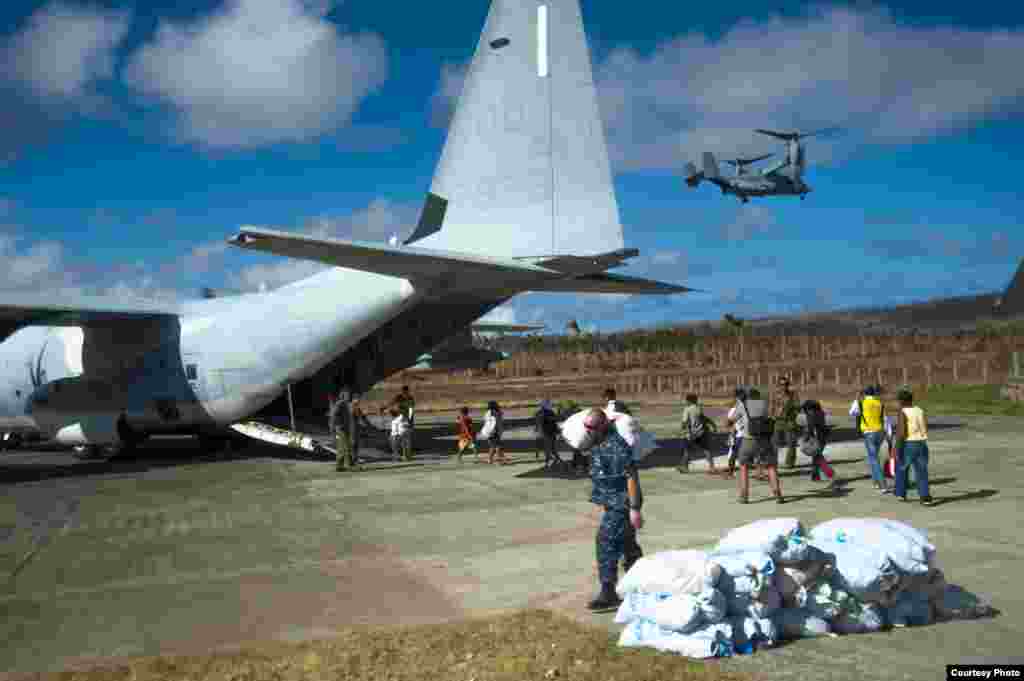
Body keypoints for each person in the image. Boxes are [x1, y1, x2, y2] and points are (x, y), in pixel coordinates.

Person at [582, 408, 644, 611]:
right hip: (613, 504)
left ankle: (608, 592)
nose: (588, 431)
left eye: (591, 428)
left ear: (602, 426)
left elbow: (631, 477)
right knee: (628, 547)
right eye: (587, 428)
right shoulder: (599, 442)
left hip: (622, 506)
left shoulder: (617, 445)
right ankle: (641, 585)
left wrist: (634, 509)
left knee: (605, 541)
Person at [730, 387, 783, 505]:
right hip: (764, 440)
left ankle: (744, 496)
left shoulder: (742, 405)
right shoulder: (764, 404)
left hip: (748, 440)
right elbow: (773, 416)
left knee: (743, 466)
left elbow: (731, 420)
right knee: (771, 466)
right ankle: (777, 493)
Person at [893, 389, 934, 506]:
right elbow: (925, 426)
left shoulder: (903, 412)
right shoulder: (920, 410)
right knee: (922, 471)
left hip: (908, 444)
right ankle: (925, 497)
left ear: (901, 401)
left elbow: (901, 432)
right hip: (921, 442)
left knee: (901, 468)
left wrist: (896, 447)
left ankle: (900, 493)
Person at [851, 385, 888, 493]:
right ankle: (876, 481)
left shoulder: (862, 403)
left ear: (865, 393)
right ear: (874, 393)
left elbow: (852, 412)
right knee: (874, 457)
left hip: (869, 433)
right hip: (880, 432)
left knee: (873, 459)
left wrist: (856, 399)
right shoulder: (879, 403)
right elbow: (885, 419)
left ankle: (882, 484)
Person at [800, 399, 836, 487]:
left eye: (806, 409)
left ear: (809, 408)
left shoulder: (812, 414)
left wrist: (805, 438)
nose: (805, 411)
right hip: (822, 437)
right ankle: (815, 475)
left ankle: (830, 474)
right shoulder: (820, 413)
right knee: (816, 457)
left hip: (816, 438)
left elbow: (810, 428)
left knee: (818, 457)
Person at [679, 393, 717, 474]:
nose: (685, 402)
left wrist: (683, 429)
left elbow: (685, 422)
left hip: (691, 433)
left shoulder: (687, 409)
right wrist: (713, 424)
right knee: (706, 450)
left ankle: (685, 467)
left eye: (686, 400)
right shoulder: (698, 408)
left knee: (687, 450)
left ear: (689, 401)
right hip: (701, 432)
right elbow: (704, 418)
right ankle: (712, 467)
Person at [773, 377, 800, 469]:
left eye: (785, 385)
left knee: (791, 443)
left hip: (789, 421)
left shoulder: (793, 395)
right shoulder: (776, 395)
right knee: (774, 443)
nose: (783, 387)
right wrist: (773, 415)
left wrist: (792, 416)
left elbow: (797, 408)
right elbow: (772, 406)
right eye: (781, 385)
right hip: (778, 421)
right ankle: (773, 462)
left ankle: (790, 462)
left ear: (788, 385)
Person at [329, 386, 354, 471]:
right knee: (344, 446)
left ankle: (341, 466)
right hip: (341, 429)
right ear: (342, 395)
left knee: (344, 446)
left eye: (350, 395)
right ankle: (343, 465)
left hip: (345, 428)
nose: (349, 396)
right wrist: (335, 427)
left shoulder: (345, 404)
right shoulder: (340, 404)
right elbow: (333, 415)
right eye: (347, 395)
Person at [535, 400, 560, 468]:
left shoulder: (544, 412)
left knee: (550, 448)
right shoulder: (543, 413)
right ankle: (551, 460)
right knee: (550, 448)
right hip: (547, 433)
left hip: (549, 432)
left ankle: (555, 459)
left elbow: (554, 422)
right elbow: (539, 422)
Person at [483, 401, 508, 465]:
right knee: (497, 446)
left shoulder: (489, 413)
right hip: (494, 432)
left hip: (492, 432)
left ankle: (490, 459)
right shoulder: (493, 413)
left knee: (493, 446)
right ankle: (499, 460)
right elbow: (496, 422)